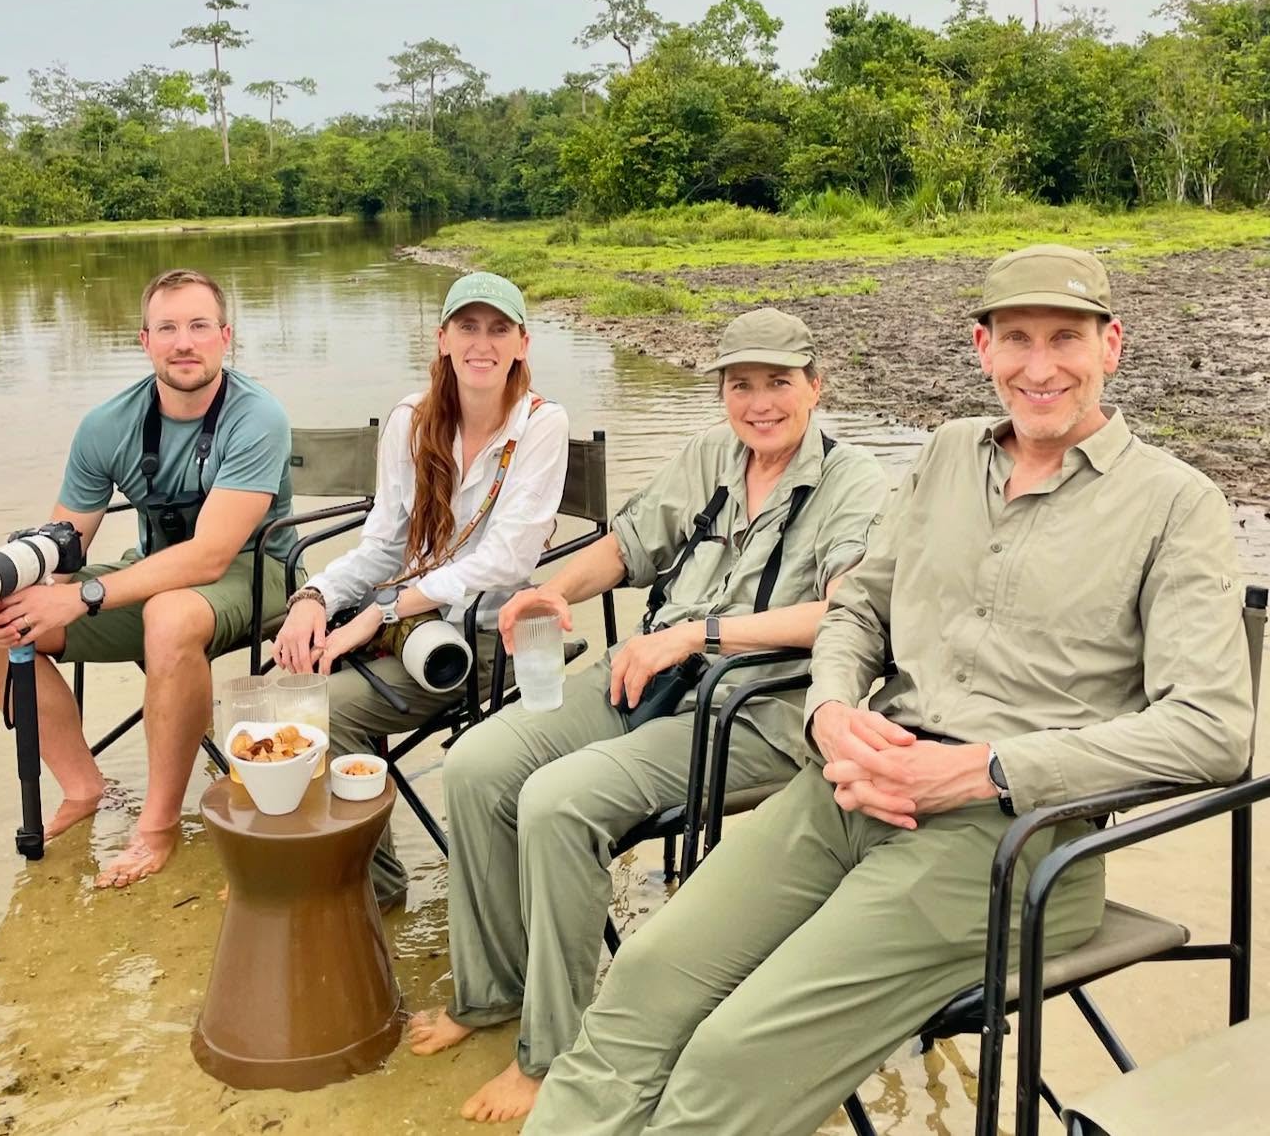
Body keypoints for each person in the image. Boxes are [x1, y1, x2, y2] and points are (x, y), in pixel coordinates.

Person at [524, 243, 1256, 1136]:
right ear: (981, 348)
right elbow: (858, 606)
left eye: (1066, 337)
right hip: (857, 780)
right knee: (643, 982)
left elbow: (1213, 732)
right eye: (1015, 338)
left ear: (1113, 346)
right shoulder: (947, 455)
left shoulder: (1178, 505)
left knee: (735, 1052)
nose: (1040, 366)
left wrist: (983, 771)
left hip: (1014, 843)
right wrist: (832, 708)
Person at [408, 307, 889, 1124]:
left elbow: (846, 616)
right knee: (477, 765)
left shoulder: (858, 485)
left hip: (758, 712)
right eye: (742, 384)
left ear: (816, 385)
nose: (760, 402)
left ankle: (551, 1054)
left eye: (779, 382)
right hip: (649, 674)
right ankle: (491, 992)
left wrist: (697, 635)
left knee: (558, 802)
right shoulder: (712, 455)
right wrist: (553, 589)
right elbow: (629, 544)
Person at [0, 268, 295, 888]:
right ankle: (85, 787)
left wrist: (84, 597)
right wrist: (22, 577)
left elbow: (210, 557)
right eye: (167, 328)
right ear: (144, 342)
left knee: (168, 616)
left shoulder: (258, 416)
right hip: (152, 579)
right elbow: (66, 546)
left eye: (199, 326)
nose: (184, 342)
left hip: (258, 573)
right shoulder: (106, 425)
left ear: (226, 337)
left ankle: (158, 825)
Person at [271, 272, 570, 911]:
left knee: (319, 713)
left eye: (498, 329)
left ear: (523, 343)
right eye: (467, 326)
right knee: (288, 690)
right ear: (441, 339)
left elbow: (509, 556)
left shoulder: (541, 425)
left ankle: (371, 892)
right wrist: (314, 599)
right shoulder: (412, 418)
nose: (481, 343)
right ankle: (342, 870)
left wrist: (382, 611)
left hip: (489, 639)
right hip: (408, 626)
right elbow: (383, 543)